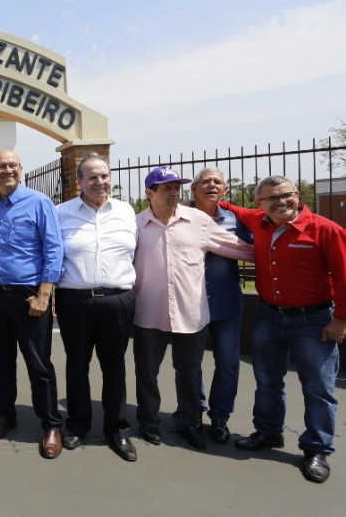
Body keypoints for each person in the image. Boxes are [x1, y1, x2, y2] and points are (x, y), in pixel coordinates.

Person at [221, 176, 346, 484]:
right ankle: (268, 432)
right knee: (267, 380)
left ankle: (317, 448)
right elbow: (228, 206)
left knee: (318, 387)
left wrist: (341, 320)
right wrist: (208, 201)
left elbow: (345, 276)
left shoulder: (325, 230)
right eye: (271, 198)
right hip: (267, 316)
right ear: (259, 204)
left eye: (286, 195)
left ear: (297, 195)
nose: (281, 202)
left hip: (314, 320)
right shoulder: (257, 220)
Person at [133, 166, 254, 451]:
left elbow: (237, 248)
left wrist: (278, 256)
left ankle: (189, 422)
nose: (174, 192)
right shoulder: (135, 224)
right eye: (167, 188)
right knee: (147, 372)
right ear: (150, 193)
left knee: (189, 370)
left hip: (191, 313)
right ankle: (148, 421)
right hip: (148, 313)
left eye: (177, 187)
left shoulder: (198, 221)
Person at [0, 150, 65, 459]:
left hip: (28, 295)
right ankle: (6, 415)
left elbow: (54, 249)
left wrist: (44, 294)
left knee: (39, 365)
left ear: (21, 169)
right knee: (1, 363)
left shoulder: (40, 203)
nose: (7, 170)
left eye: (12, 165)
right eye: (1, 166)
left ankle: (51, 424)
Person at [55, 155, 139, 462]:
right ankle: (77, 424)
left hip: (117, 299)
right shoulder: (60, 213)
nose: (99, 182)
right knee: (77, 365)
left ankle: (117, 430)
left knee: (115, 366)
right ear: (79, 181)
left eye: (104, 175)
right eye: (92, 177)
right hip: (75, 301)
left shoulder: (127, 212)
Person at [189, 167, 252, 444]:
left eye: (218, 182)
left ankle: (219, 417)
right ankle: (194, 412)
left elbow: (254, 251)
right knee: (191, 365)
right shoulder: (180, 217)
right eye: (205, 181)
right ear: (193, 189)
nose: (211, 185)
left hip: (226, 304)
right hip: (190, 303)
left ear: (225, 190)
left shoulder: (237, 221)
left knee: (228, 364)